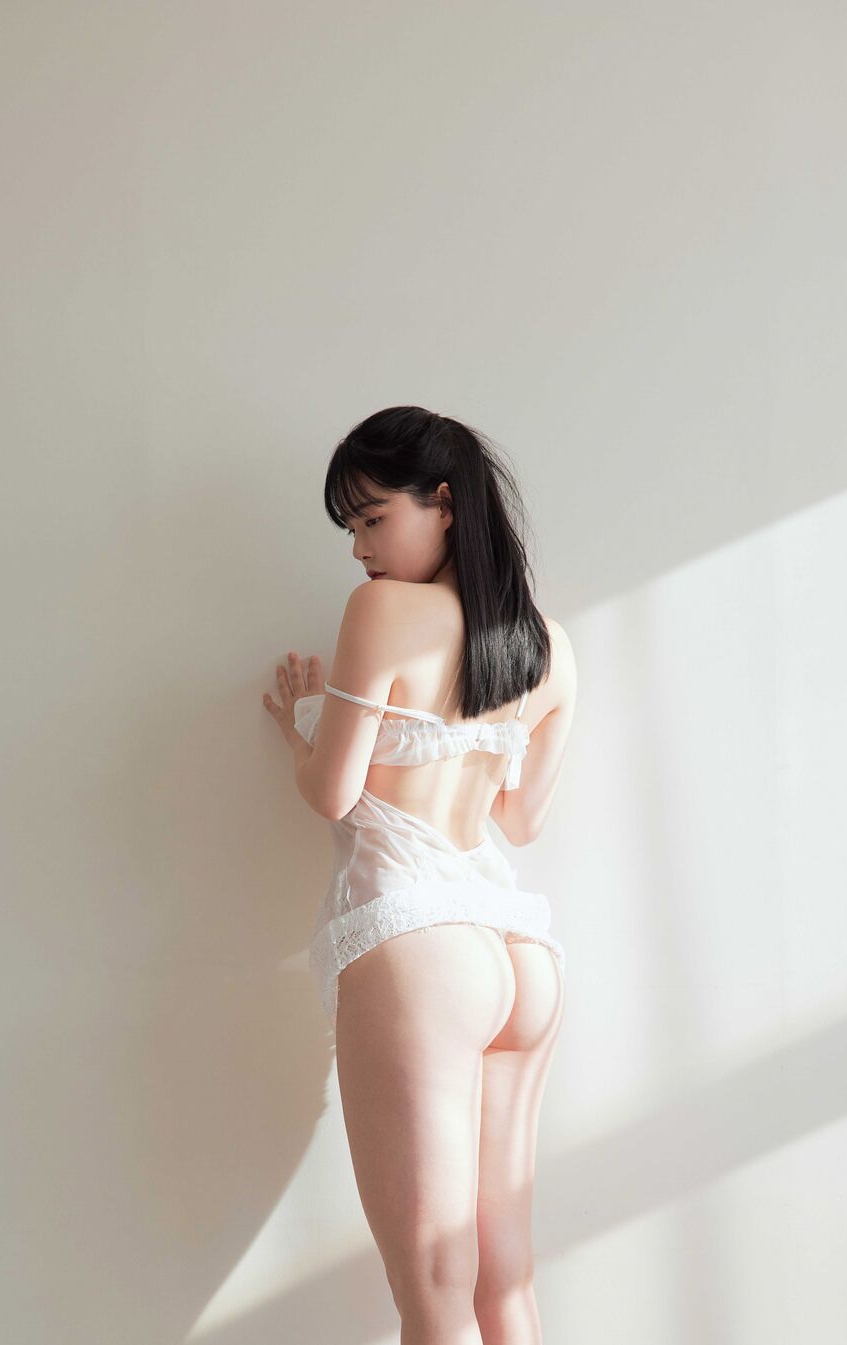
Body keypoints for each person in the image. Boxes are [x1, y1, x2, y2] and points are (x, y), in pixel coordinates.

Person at [262, 406, 576, 1344]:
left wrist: (302, 726)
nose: (360, 548)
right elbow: (519, 818)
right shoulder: (551, 646)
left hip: (418, 947)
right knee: (503, 1275)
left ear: (443, 502)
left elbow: (332, 793)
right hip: (517, 950)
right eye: (350, 528)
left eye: (372, 518)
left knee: (436, 1281)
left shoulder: (382, 611)